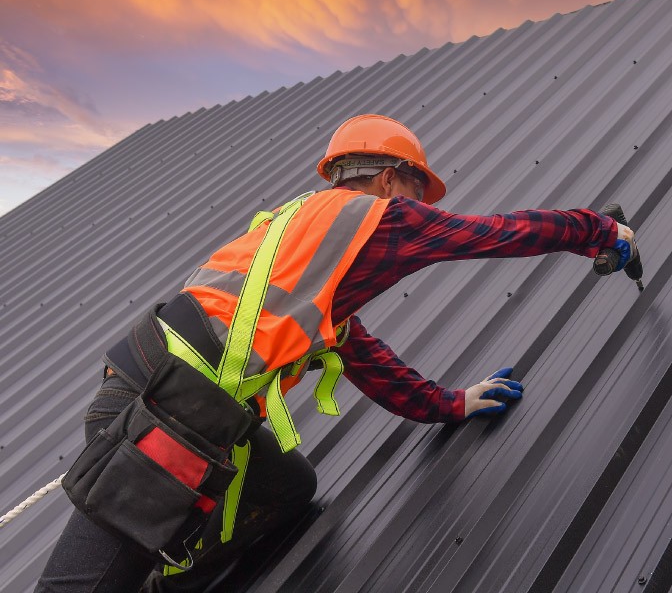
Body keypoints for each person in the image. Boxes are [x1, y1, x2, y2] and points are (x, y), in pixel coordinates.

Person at [36, 114, 635, 592]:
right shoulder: (378, 218)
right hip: (161, 422)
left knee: (288, 486)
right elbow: (498, 233)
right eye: (415, 187)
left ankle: (152, 576)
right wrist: (600, 232)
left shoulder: (303, 240)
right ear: (386, 178)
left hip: (170, 402)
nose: (419, 204)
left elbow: (365, 359)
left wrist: (452, 404)